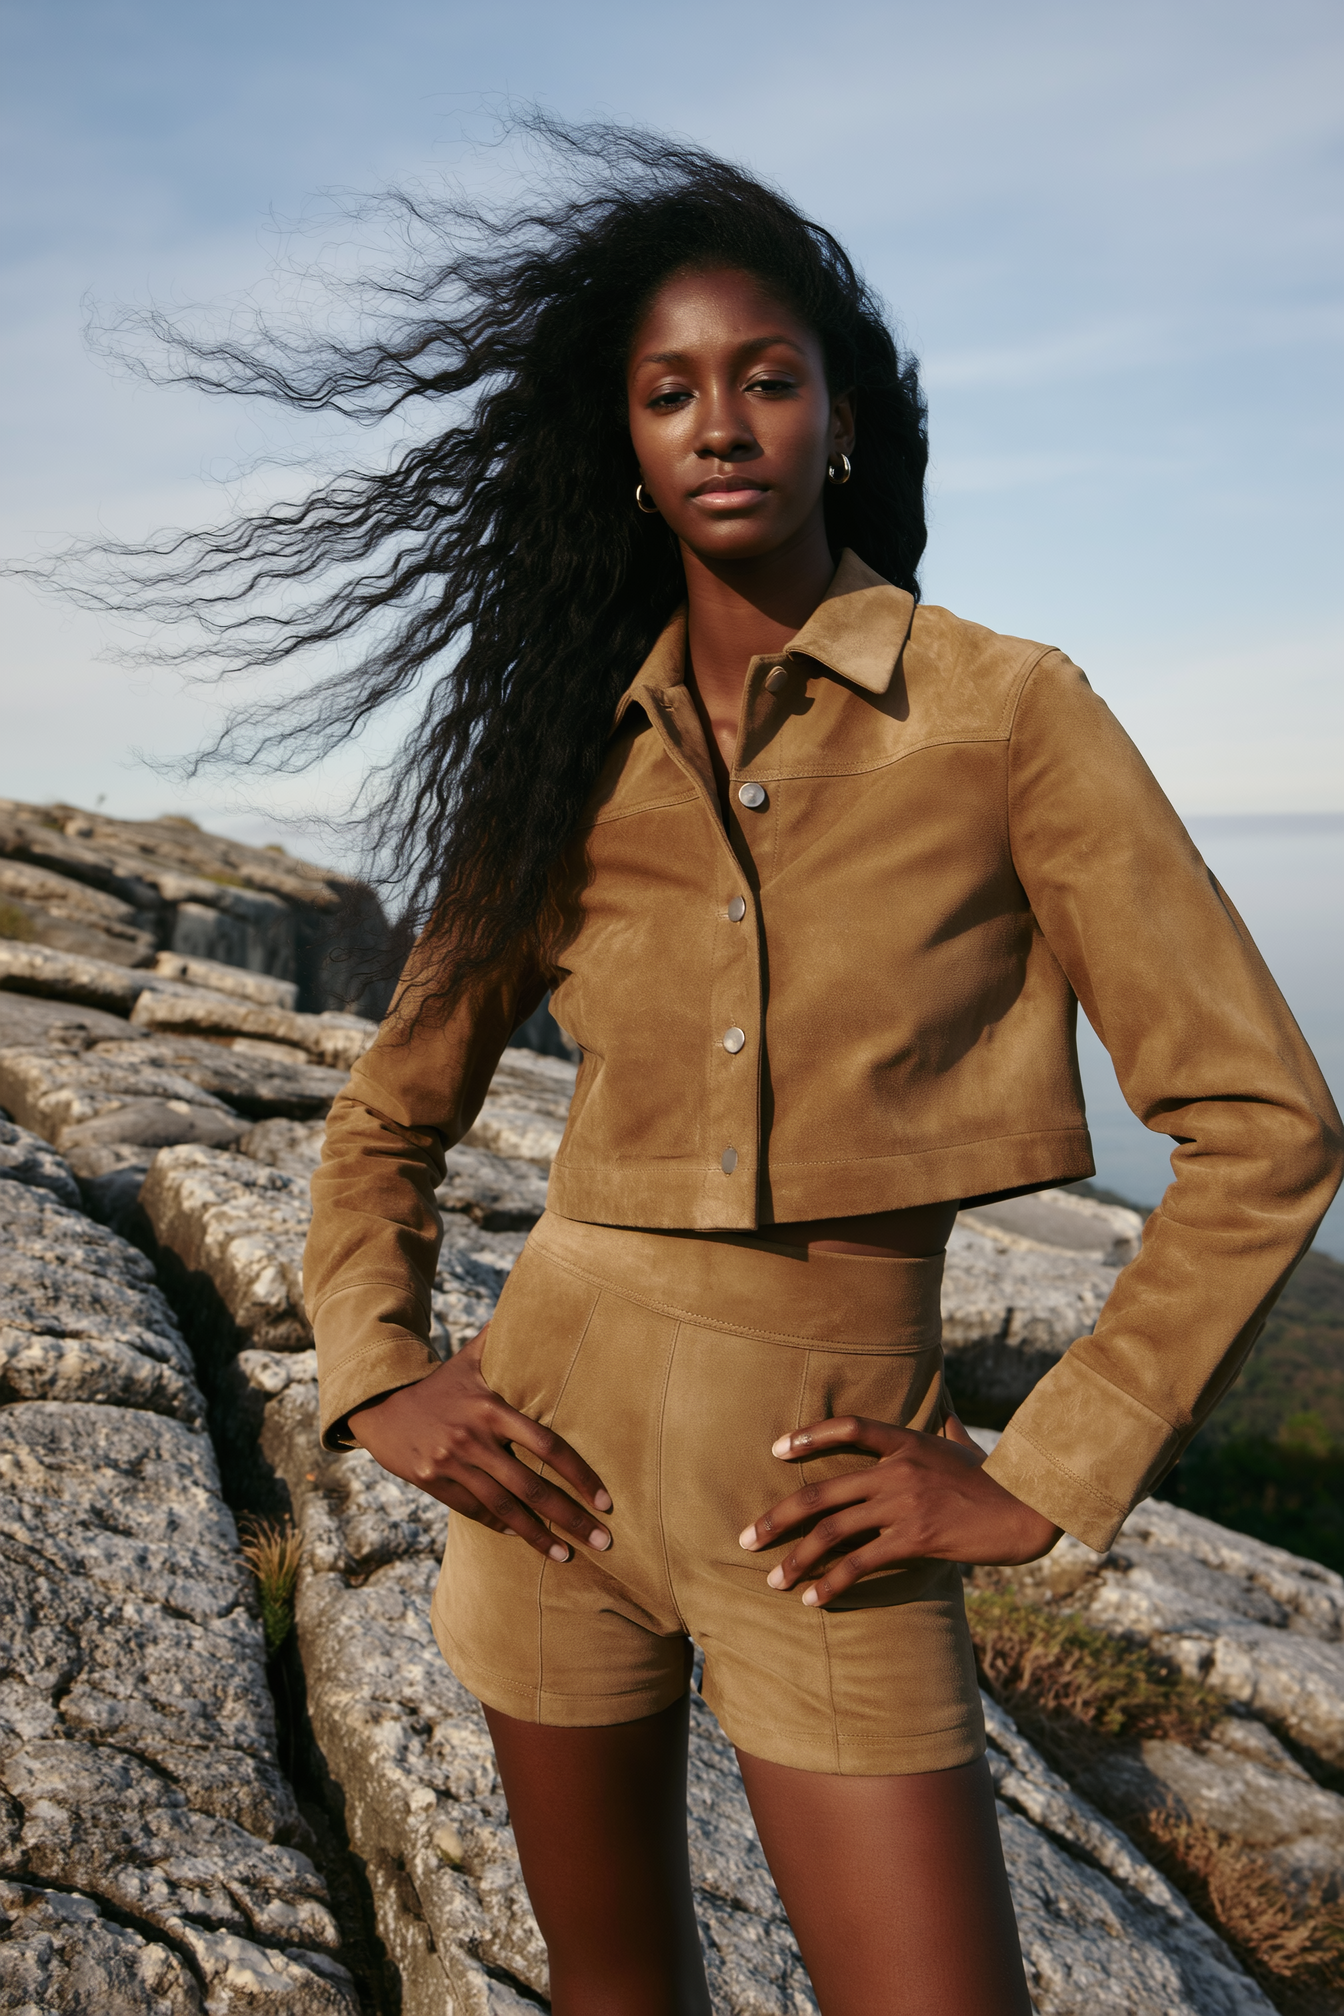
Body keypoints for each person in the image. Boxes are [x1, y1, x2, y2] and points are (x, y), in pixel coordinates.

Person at [85, 119, 1341, 2014]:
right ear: (634, 450)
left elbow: (1262, 1127)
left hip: (825, 1498)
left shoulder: (1009, 714)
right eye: (671, 393)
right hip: (552, 1467)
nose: (722, 421)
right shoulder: (569, 758)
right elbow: (388, 1118)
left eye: (766, 377)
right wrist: (379, 1380)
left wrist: (1039, 1474)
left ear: (842, 418)